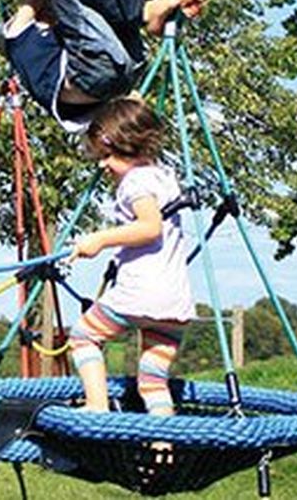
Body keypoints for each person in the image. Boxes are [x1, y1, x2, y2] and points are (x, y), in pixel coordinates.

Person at [4, 0, 204, 133]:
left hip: (121, 70)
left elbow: (108, 2)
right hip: (94, 75)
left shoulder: (55, 40)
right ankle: (147, 10)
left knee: (104, 8)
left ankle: (161, 6)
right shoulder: (18, 34)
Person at [68, 96, 193, 422]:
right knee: (152, 381)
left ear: (130, 147)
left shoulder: (133, 183)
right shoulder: (164, 176)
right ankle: (163, 444)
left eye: (107, 155)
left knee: (83, 337)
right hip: (174, 304)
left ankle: (96, 405)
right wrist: (133, 105)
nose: (102, 164)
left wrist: (99, 239)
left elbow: (150, 227)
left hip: (139, 295)